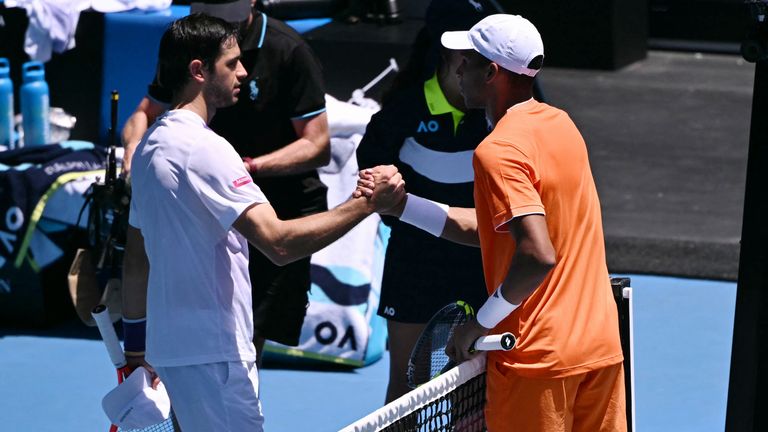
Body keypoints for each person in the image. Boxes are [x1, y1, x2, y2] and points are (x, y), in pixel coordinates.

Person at [126, 13, 403, 431]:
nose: (243, 72)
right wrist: (366, 204)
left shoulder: (147, 149)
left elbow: (136, 261)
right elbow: (278, 243)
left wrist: (134, 348)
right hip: (216, 355)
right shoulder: (207, 150)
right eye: (231, 63)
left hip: (170, 350)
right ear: (198, 71)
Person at [358, 14, 627, 432]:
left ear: (492, 72)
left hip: (537, 359)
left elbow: (537, 254)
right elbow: (491, 230)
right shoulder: (563, 126)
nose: (458, 69)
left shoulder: (497, 151)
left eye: (467, 61)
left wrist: (478, 324)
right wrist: (403, 207)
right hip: (600, 346)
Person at [121, 0, 332, 364]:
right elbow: (144, 113)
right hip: (213, 193)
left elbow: (317, 144)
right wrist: (133, 160)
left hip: (277, 203)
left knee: (247, 338)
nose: (243, 73)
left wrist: (247, 168)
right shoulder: (197, 44)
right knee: (218, 339)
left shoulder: (290, 49)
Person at [355, 0, 491, 403]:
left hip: (483, 263)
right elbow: (372, 182)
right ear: (443, 50)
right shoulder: (403, 112)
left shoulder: (500, 111)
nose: (474, 58)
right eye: (465, 48)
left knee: (480, 388)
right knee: (407, 387)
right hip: (416, 263)